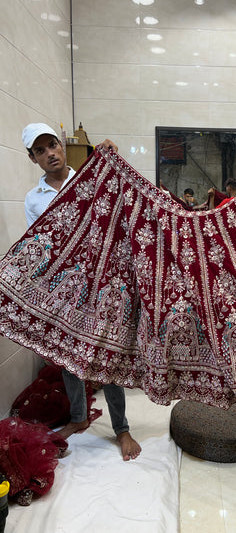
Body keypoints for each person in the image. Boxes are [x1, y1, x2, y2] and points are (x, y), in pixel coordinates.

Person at [22, 122, 141, 461]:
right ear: (33, 158)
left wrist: (111, 159)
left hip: (101, 283)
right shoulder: (34, 199)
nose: (50, 153)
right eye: (41, 150)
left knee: (109, 353)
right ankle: (78, 418)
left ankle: (121, 428)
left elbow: (119, 203)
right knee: (67, 354)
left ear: (61, 145)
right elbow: (39, 244)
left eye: (52, 145)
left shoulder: (88, 180)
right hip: (63, 288)